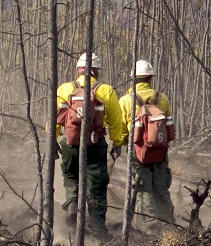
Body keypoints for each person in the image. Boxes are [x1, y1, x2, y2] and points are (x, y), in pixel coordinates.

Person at [55, 52, 127, 236]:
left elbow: (54, 118)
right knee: (96, 184)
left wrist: (53, 139)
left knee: (70, 176)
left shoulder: (64, 89)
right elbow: (116, 120)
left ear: (78, 70)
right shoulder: (106, 91)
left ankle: (72, 204)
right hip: (95, 145)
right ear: (96, 71)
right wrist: (117, 143)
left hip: (69, 143)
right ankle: (98, 229)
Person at [119, 59, 175, 225]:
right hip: (159, 151)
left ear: (133, 79)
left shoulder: (125, 100)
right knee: (161, 187)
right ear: (150, 78)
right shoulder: (162, 98)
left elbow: (122, 131)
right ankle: (168, 222)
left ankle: (150, 226)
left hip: (138, 152)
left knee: (143, 188)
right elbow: (169, 127)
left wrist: (124, 144)